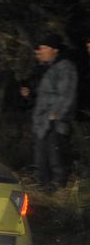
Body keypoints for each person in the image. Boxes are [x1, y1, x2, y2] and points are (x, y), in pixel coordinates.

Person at [32, 34, 78, 190]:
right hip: (43, 124)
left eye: (45, 48)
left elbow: (67, 94)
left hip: (54, 124)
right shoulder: (47, 69)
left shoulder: (65, 67)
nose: (41, 51)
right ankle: (43, 189)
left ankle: (58, 191)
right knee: (41, 160)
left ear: (54, 50)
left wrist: (56, 115)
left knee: (56, 160)